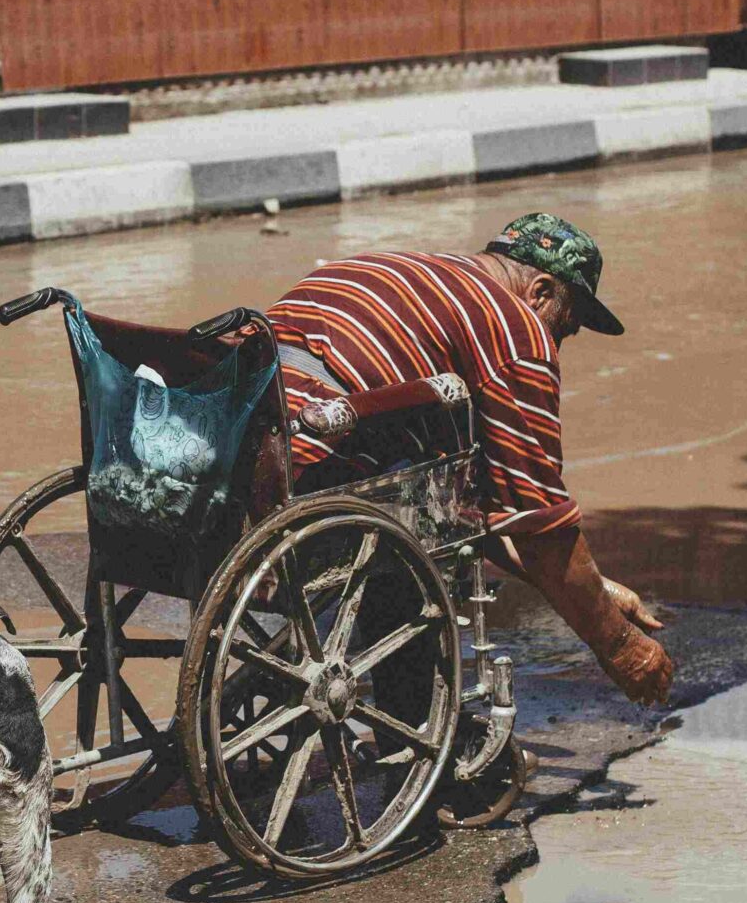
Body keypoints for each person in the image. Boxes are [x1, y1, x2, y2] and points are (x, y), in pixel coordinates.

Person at [268, 210, 674, 708]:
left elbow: (477, 513)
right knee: (419, 544)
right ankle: (414, 733)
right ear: (541, 292)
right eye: (563, 330)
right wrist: (621, 645)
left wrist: (599, 589)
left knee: (427, 503)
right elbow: (541, 525)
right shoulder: (516, 328)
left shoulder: (403, 274)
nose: (556, 347)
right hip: (305, 472)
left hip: (246, 454)